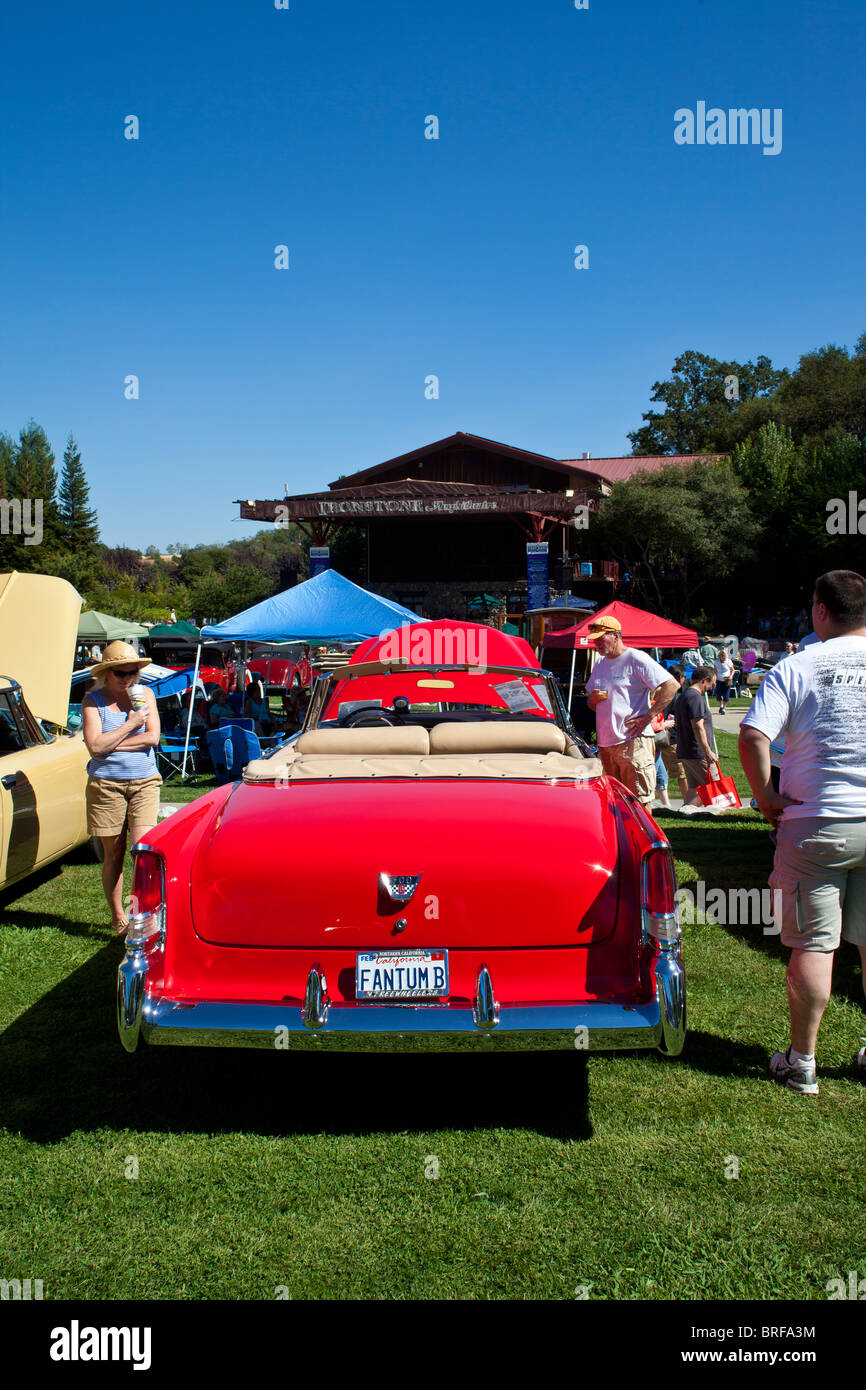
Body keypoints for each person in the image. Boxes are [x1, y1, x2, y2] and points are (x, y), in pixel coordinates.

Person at [738, 570, 866, 1096]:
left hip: (816, 821)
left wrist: (766, 795)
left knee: (814, 944)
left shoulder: (796, 666)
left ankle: (802, 1062)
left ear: (819, 610)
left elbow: (751, 735)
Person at [81, 641, 161, 934]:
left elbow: (152, 739)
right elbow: (94, 747)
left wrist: (110, 743)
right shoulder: (93, 701)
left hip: (145, 782)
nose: (128, 679)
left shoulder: (146, 694)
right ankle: (118, 918)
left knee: (143, 852)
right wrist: (131, 724)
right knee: (113, 853)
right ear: (107, 673)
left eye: (133, 672)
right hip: (106, 785)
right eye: (120, 673)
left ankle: (141, 917)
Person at [584, 616, 677, 811]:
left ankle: (645, 841)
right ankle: (621, 841)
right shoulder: (600, 663)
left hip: (633, 741)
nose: (597, 643)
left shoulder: (635, 658)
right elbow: (592, 704)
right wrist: (592, 699)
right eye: (595, 639)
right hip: (606, 743)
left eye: (602, 638)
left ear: (616, 636)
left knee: (639, 801)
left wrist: (648, 717)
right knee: (614, 801)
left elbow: (671, 686)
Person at [673, 666, 719, 808]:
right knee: (713, 785)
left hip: (686, 750)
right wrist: (707, 751)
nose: (712, 688)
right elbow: (698, 726)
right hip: (697, 752)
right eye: (712, 683)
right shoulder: (695, 697)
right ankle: (691, 810)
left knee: (694, 788)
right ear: (705, 680)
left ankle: (685, 813)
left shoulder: (683, 696)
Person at [658, 664, 689, 802]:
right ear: (678, 678)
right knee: (682, 772)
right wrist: (666, 725)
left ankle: (665, 803)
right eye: (684, 677)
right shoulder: (669, 693)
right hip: (669, 739)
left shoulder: (666, 690)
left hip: (664, 737)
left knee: (660, 771)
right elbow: (662, 715)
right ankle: (688, 802)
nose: (684, 680)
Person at [713, 648, 734, 715]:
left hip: (727, 679)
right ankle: (721, 705)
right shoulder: (716, 662)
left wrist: (731, 676)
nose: (724, 657)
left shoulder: (728, 661)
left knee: (726, 694)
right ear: (720, 656)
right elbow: (715, 671)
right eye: (722, 656)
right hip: (719, 680)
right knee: (718, 694)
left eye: (725, 656)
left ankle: (724, 708)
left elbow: (733, 670)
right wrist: (715, 677)